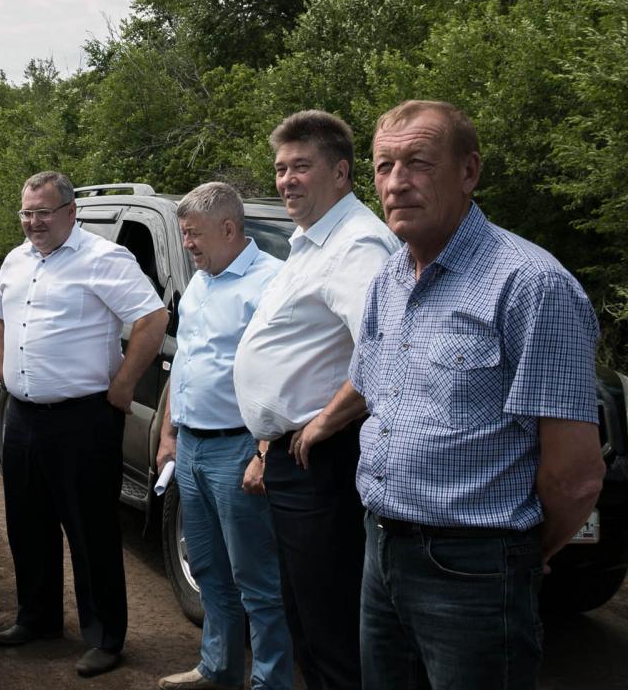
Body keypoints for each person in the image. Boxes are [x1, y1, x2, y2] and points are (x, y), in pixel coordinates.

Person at [343, 100, 605, 688]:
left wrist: (512, 559)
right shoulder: (390, 276)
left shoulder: (531, 284)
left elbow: (576, 477)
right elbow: (373, 394)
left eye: (418, 163)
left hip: (475, 567)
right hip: (379, 547)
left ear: (469, 172)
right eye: (384, 167)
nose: (396, 182)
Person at [233, 111, 399, 690]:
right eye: (280, 168)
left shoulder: (357, 245)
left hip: (324, 460)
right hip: (292, 454)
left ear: (342, 172)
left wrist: (322, 424)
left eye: (301, 166)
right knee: (304, 613)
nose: (286, 180)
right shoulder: (309, 242)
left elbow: (383, 352)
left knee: (331, 626)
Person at [0, 171, 168, 678]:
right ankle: (38, 618)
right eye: (26, 212)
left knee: (91, 532)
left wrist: (124, 385)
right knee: (28, 522)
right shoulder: (15, 259)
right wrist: (0, 371)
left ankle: (106, 637)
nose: (33, 222)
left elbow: (152, 319)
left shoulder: (105, 258)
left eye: (43, 212)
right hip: (22, 416)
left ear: (70, 212)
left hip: (83, 418)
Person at [155, 183, 291, 690]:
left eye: (193, 234)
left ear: (229, 229)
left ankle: (270, 681)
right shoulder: (201, 281)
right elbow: (184, 361)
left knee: (255, 578)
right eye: (184, 233)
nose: (187, 243)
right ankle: (217, 668)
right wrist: (169, 433)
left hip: (239, 446)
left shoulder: (269, 283)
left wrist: (263, 450)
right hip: (191, 445)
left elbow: (283, 373)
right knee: (208, 566)